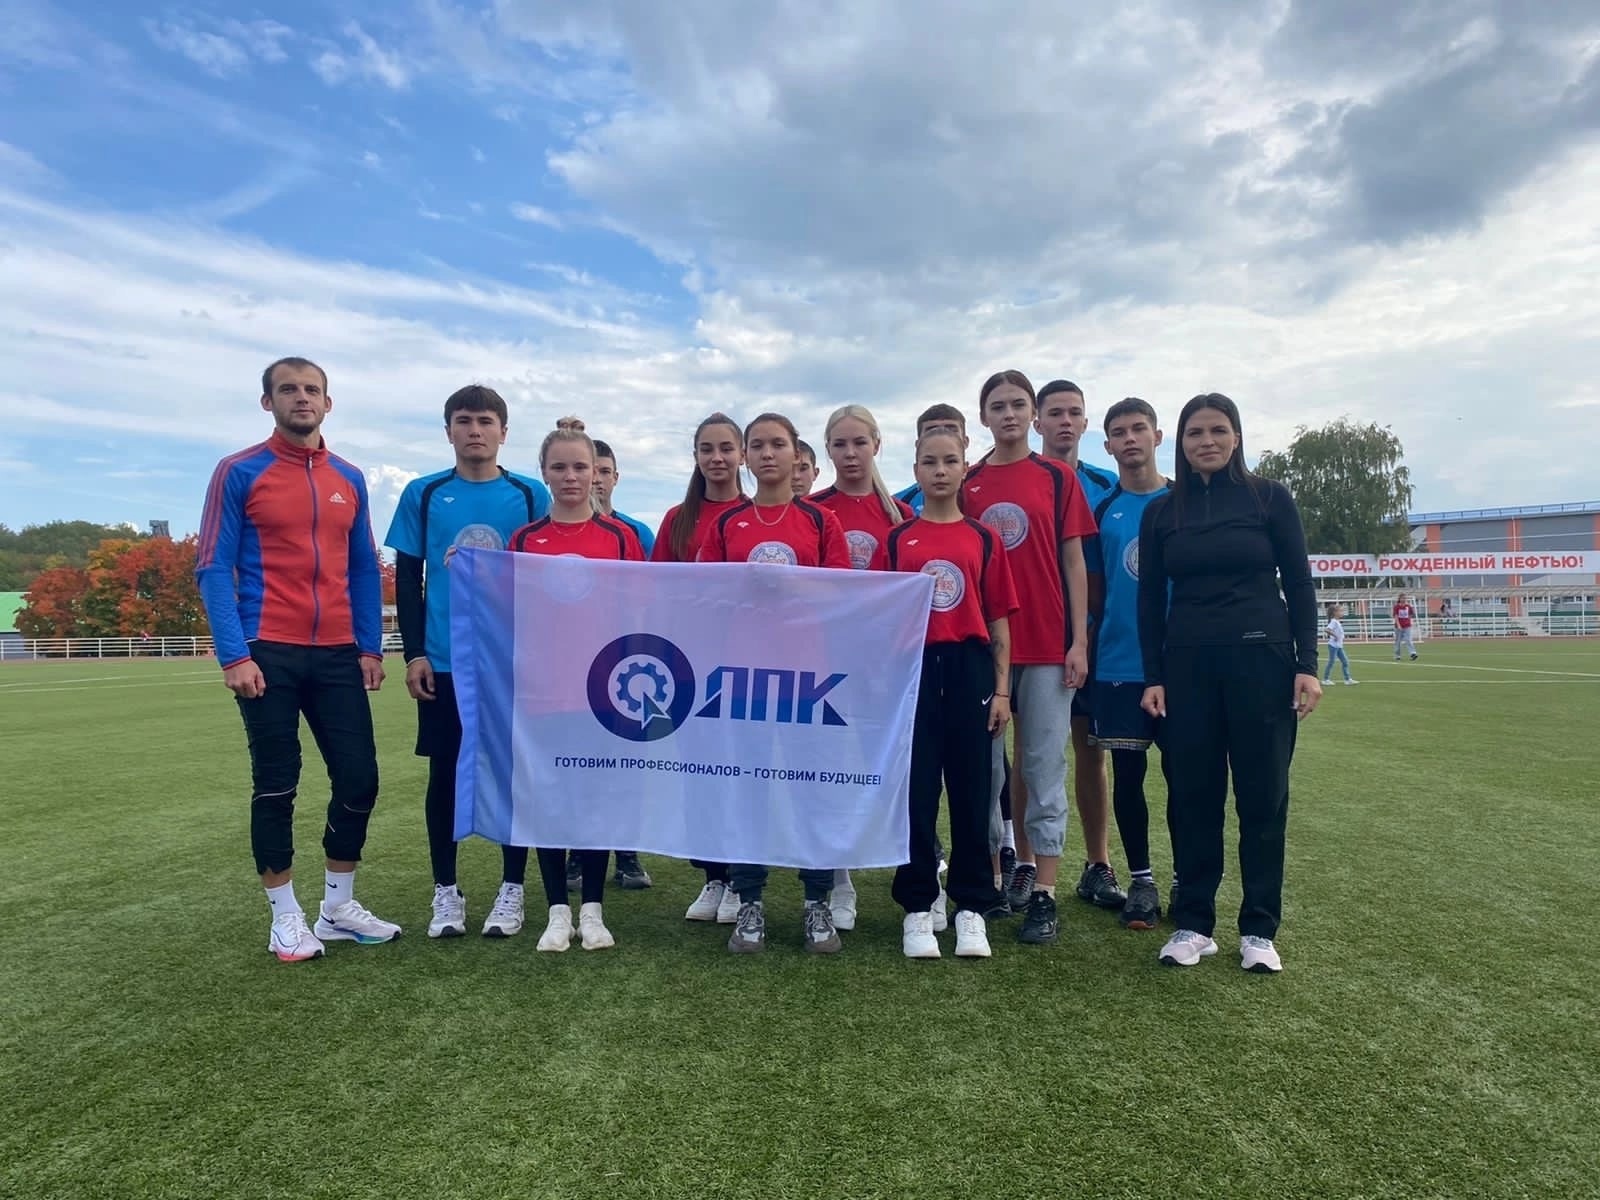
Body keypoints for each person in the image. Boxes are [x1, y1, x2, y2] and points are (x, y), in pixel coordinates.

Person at [196, 355, 400, 962]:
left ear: (328, 403)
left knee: (360, 778)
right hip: (267, 650)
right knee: (277, 782)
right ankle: (284, 916)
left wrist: (369, 645)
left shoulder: (349, 478)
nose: (302, 398)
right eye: (288, 389)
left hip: (337, 652)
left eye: (312, 390)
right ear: (269, 402)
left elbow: (363, 567)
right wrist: (234, 655)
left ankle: (337, 908)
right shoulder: (239, 471)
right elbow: (213, 566)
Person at [1137, 393, 1321, 974]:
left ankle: (1259, 930)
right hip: (1187, 669)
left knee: (1263, 798)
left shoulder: (1270, 498)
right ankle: (1194, 924)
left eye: (1218, 430)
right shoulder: (1162, 512)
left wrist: (1308, 664)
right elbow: (1149, 601)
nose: (1207, 441)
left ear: (1236, 437)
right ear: (1181, 442)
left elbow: (1299, 582)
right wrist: (1153, 676)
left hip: (1263, 665)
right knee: (1194, 798)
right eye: (1195, 433)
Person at [385, 385, 551, 940]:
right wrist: (414, 653)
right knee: (445, 772)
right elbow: (408, 582)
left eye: (484, 421)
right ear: (448, 430)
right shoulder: (424, 493)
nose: (474, 430)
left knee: (510, 770)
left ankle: (512, 888)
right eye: (463, 420)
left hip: (511, 660)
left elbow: (545, 574)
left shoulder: (529, 494)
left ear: (504, 431)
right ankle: (446, 890)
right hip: (445, 660)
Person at [699, 412, 852, 954]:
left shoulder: (820, 522)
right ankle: (750, 902)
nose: (768, 454)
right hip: (744, 677)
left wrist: (790, 587)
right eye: (758, 445)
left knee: (813, 788)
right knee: (748, 788)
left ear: (795, 454)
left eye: (778, 444)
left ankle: (816, 902)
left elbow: (842, 595)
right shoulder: (727, 524)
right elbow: (706, 596)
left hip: (810, 678)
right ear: (746, 456)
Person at [962, 370, 1096, 945]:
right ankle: (993, 880)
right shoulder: (967, 482)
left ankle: (1044, 891)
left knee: (1043, 767)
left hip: (1045, 646)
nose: (1010, 414)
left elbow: (1074, 562)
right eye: (998, 406)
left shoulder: (1057, 477)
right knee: (987, 772)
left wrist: (1078, 640)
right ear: (984, 417)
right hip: (985, 650)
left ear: (1032, 414)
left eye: (1019, 404)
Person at [507, 428, 646, 951]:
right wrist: (472, 570)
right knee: (548, 801)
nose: (571, 477)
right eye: (560, 467)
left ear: (596, 473)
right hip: (542, 695)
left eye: (580, 467)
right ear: (544, 472)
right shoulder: (525, 540)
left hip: (602, 696)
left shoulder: (620, 538)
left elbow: (640, 612)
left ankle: (592, 910)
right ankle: (556, 912)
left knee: (595, 801)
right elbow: (505, 608)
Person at [881, 427, 1016, 958]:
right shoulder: (898, 540)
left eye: (950, 461)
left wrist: (1001, 691)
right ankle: (918, 905)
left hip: (970, 670)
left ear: (964, 468)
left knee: (972, 791)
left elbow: (999, 620)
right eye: (929, 462)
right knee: (916, 793)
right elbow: (881, 618)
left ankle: (972, 907)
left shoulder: (983, 538)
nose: (940, 470)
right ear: (915, 470)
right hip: (914, 669)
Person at [810, 404, 915, 931]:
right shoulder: (813, 511)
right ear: (827, 450)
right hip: (827, 664)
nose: (850, 454)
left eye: (859, 443)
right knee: (832, 770)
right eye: (840, 444)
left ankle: (918, 876)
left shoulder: (903, 516)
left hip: (886, 665)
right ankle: (839, 878)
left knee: (897, 768)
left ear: (877, 444)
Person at [654, 413, 748, 925]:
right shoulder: (677, 520)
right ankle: (713, 875)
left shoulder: (755, 514)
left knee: (740, 772)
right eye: (707, 449)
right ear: (695, 456)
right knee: (701, 773)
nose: (717, 458)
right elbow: (655, 591)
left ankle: (740, 878)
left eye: (726, 448)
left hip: (746, 667)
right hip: (689, 666)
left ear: (741, 454)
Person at [1036, 379, 1126, 913]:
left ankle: (1098, 863)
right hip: (1036, 638)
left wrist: (1090, 633)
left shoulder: (1106, 487)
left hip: (1093, 639)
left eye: (1074, 413)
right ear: (1038, 422)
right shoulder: (1021, 479)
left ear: (1086, 423)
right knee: (1033, 755)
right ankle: (1025, 864)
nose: (1065, 421)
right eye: (1055, 413)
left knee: (1091, 751)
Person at [1084, 398, 1173, 930]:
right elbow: (1095, 591)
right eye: (1119, 432)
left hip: (1180, 663)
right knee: (1128, 776)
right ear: (1108, 445)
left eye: (1139, 428)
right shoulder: (1104, 510)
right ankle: (1141, 881)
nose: (1130, 439)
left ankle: (1187, 879)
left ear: (1158, 437)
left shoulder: (1185, 502)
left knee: (1187, 777)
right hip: (1118, 661)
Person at [588, 436, 656, 892]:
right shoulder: (549, 529)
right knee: (580, 765)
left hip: (627, 666)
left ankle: (627, 854)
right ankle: (579, 854)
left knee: (625, 765)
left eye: (604, 471)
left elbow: (654, 596)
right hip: (573, 665)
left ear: (616, 477)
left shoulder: (635, 533)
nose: (596, 479)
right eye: (589, 469)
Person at [893, 403, 967, 516]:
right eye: (931, 431)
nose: (941, 436)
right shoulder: (898, 503)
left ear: (965, 442)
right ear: (918, 444)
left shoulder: (984, 489)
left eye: (951, 430)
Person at [1323, 603, 1356, 685]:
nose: (1342, 613)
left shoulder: (1337, 622)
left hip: (1339, 646)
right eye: (1340, 611)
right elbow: (1326, 629)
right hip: (1333, 646)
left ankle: (1347, 679)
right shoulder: (1334, 621)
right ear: (1335, 612)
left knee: (1345, 662)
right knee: (1331, 662)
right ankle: (1325, 679)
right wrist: (1335, 636)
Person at [1393, 594, 1419, 660]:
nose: (1403, 599)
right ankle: (1397, 655)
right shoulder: (1396, 607)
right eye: (1402, 598)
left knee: (1408, 639)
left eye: (1404, 598)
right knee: (1398, 641)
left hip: (1407, 626)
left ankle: (1413, 653)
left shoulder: (1408, 606)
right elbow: (1396, 616)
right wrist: (1398, 625)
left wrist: (1408, 621)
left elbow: (1411, 614)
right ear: (1399, 599)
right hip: (1398, 627)